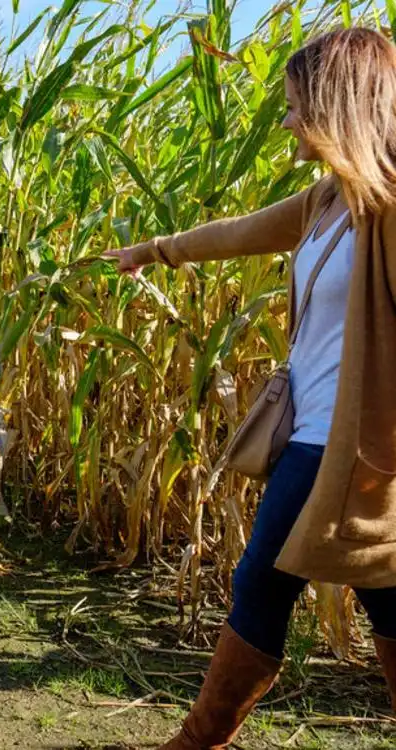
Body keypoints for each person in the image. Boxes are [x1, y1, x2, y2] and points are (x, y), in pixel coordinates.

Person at [107, 27, 396, 749]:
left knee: (261, 583)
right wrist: (155, 251)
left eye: (297, 105)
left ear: (337, 106)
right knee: (387, 602)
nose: (289, 121)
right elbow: (238, 232)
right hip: (315, 436)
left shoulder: (388, 212)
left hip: (352, 450)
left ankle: (196, 742)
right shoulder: (327, 202)